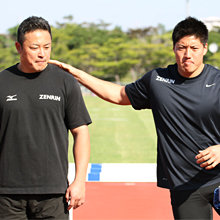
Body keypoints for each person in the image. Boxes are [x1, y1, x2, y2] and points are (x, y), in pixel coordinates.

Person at [49, 16, 220, 219]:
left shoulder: (217, 81)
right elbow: (118, 95)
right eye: (182, 47)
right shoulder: (157, 81)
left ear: (205, 48)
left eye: (194, 48)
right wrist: (76, 74)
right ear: (174, 48)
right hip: (186, 185)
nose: (187, 54)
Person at [0, 16, 91, 219]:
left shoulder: (66, 82)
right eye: (34, 47)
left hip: (53, 194)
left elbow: (81, 131)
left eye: (47, 47)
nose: (42, 53)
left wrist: (79, 181)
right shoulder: (2, 82)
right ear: (18, 47)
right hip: (6, 195)